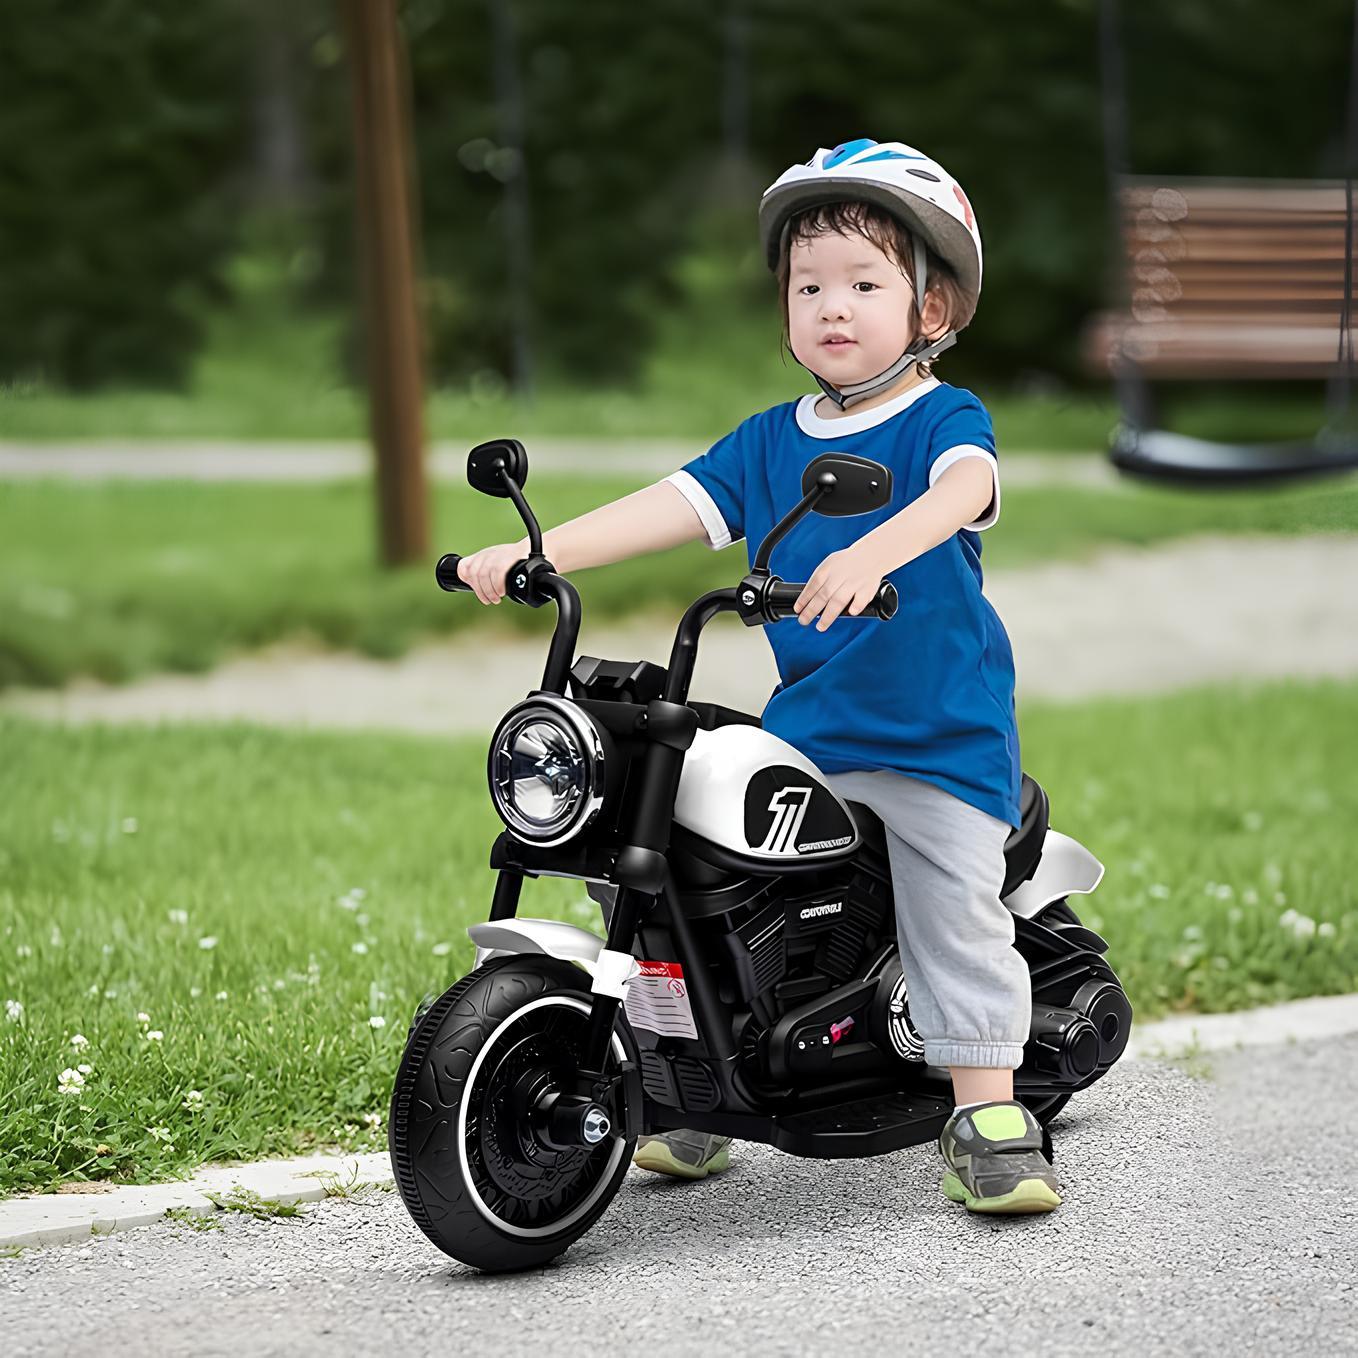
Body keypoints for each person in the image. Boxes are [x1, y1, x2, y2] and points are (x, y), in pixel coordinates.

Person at [456, 138, 1061, 1215]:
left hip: (936, 735)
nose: (832, 305)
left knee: (948, 900)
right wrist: (536, 555)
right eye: (808, 285)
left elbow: (963, 490)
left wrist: (876, 548)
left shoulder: (940, 419)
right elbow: (671, 504)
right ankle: (684, 1084)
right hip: (815, 728)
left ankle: (985, 1104)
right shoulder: (767, 438)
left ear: (932, 307)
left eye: (864, 283)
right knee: (684, 866)